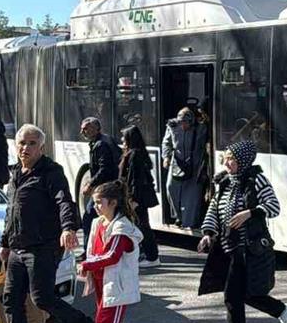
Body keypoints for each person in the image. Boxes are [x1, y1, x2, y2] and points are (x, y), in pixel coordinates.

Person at [0, 124, 95, 323]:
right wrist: (4, 243)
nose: (25, 148)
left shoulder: (51, 172)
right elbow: (11, 212)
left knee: (42, 298)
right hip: (17, 247)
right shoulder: (15, 173)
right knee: (11, 298)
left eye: (32, 143)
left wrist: (68, 228)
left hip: (43, 246)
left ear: (41, 147)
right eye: (22, 143)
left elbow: (64, 202)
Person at [197, 140, 287, 323]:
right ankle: (280, 310)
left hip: (251, 249)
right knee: (241, 293)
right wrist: (208, 233)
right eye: (226, 158)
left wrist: (250, 213)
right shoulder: (224, 182)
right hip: (228, 247)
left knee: (238, 293)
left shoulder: (256, 179)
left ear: (243, 160)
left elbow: (273, 206)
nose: (226, 163)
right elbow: (214, 208)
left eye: (231, 159)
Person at [78, 181, 147, 323]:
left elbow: (112, 256)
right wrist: (90, 266)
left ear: (113, 203)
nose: (96, 206)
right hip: (101, 281)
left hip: (117, 284)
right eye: (94, 202)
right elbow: (94, 250)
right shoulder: (98, 223)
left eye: (100, 202)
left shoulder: (122, 227)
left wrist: (87, 264)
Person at [119, 125, 161, 268]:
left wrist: (133, 199)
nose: (122, 140)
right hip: (137, 197)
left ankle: (152, 256)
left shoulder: (134, 155)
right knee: (140, 225)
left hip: (137, 198)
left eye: (124, 137)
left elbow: (134, 180)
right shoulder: (136, 153)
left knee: (142, 226)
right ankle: (145, 253)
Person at [162, 107, 208, 229]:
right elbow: (166, 143)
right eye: (181, 123)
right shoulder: (172, 126)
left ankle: (189, 222)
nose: (183, 126)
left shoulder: (200, 128)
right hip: (177, 163)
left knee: (192, 195)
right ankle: (179, 216)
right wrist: (166, 157)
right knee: (171, 188)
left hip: (195, 164)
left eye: (186, 123)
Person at [79, 117, 122, 242]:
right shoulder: (103, 141)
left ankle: (89, 250)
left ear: (95, 129)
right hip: (110, 187)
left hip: (106, 188)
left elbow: (105, 169)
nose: (82, 132)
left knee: (88, 218)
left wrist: (90, 184)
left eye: (85, 129)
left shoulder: (101, 144)